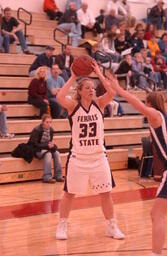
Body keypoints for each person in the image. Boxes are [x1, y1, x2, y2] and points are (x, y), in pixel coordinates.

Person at [55, 60, 125, 240]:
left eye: (93, 87)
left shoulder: (100, 104)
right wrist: (72, 76)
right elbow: (59, 97)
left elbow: (112, 92)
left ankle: (111, 226)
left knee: (106, 193)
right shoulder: (73, 107)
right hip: (78, 158)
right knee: (69, 193)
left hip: (99, 157)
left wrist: (99, 74)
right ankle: (62, 225)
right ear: (79, 91)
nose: (91, 90)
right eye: (87, 88)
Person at [107, 74, 167, 256]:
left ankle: (155, 253)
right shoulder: (162, 116)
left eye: (145, 104)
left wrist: (118, 89)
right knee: (157, 214)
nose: (144, 107)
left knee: (157, 215)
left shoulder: (156, 115)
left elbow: (135, 103)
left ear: (149, 104)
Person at [28, 114, 64, 183]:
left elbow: (49, 143)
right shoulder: (37, 130)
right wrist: (47, 146)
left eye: (50, 122)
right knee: (48, 154)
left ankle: (58, 176)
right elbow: (34, 144)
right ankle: (47, 177)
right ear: (42, 122)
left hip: (46, 148)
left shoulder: (51, 130)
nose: (49, 124)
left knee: (56, 153)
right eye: (47, 122)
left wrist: (53, 146)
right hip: (35, 150)